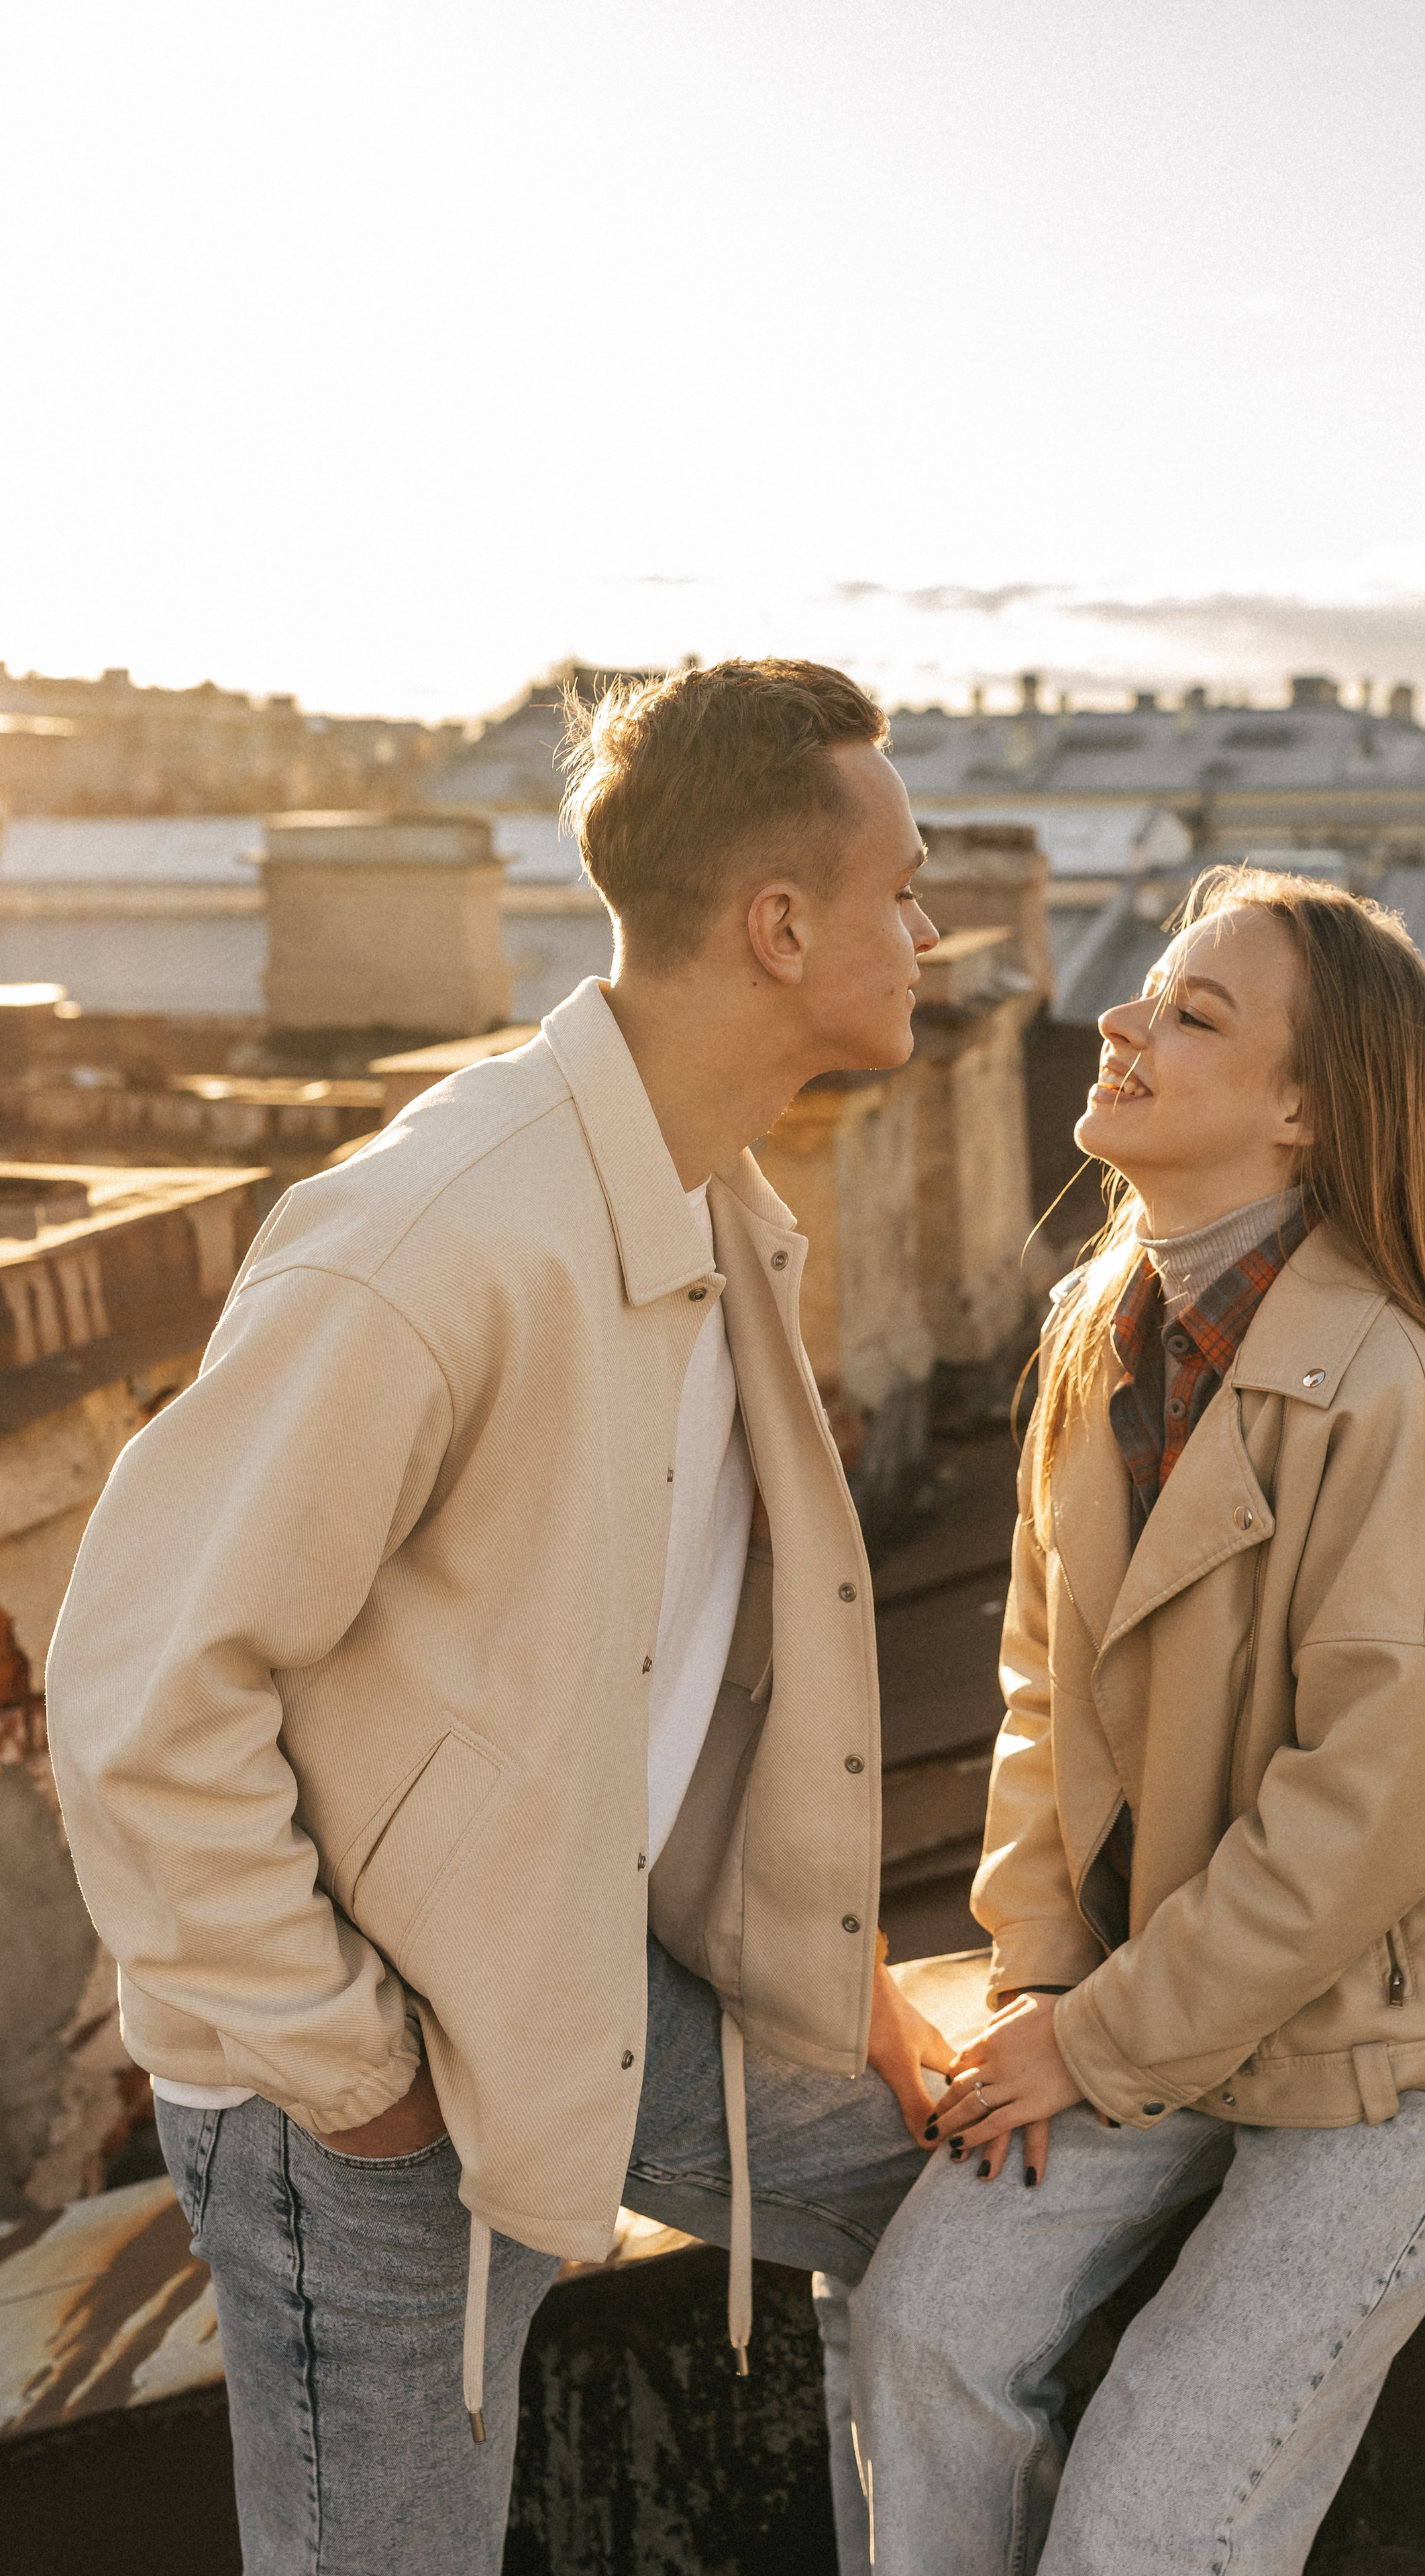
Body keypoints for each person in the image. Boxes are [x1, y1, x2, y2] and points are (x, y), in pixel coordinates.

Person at [47, 658, 954, 2576]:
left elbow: (651, 1666)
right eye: (904, 888)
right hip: (347, 2092)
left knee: (980, 2205)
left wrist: (833, 1960)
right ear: (778, 926)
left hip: (571, 1981)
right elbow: (135, 1692)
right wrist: (358, 2078)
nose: (934, 932)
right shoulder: (437, 1238)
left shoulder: (713, 1203)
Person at [848, 865, 1425, 2573]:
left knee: (1155, 2506)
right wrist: (1043, 1979)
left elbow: (1373, 1812)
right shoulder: (1094, 1327)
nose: (1119, 1021)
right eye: (1145, 991)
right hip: (1170, 1988)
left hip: (1397, 2053)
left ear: (1300, 1113)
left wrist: (1093, 2042)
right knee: (917, 2336)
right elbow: (1043, 1703)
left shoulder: (1390, 1383)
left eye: (1191, 1013)